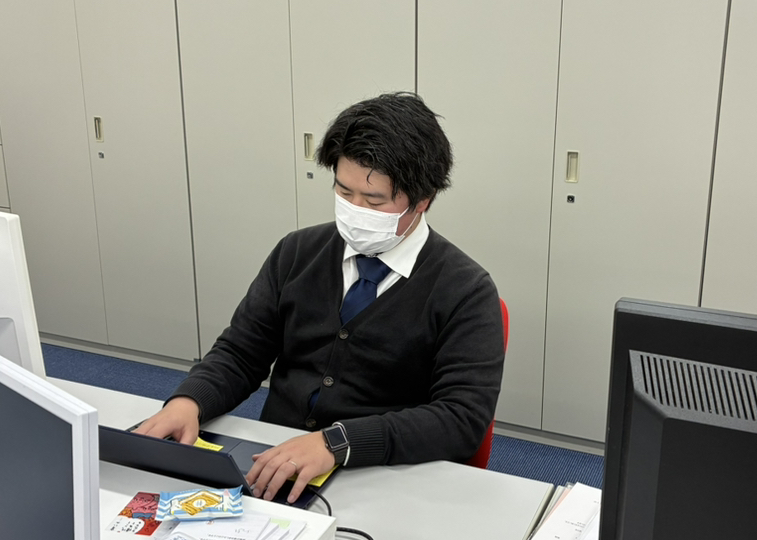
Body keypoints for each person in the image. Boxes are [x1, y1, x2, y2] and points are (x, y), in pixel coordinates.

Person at [135, 92, 505, 504]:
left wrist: (336, 443)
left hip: (383, 476)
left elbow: (461, 418)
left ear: (423, 200)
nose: (355, 209)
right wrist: (189, 401)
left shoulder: (466, 290)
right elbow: (241, 352)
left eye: (374, 200)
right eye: (344, 192)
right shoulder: (297, 252)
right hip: (275, 462)